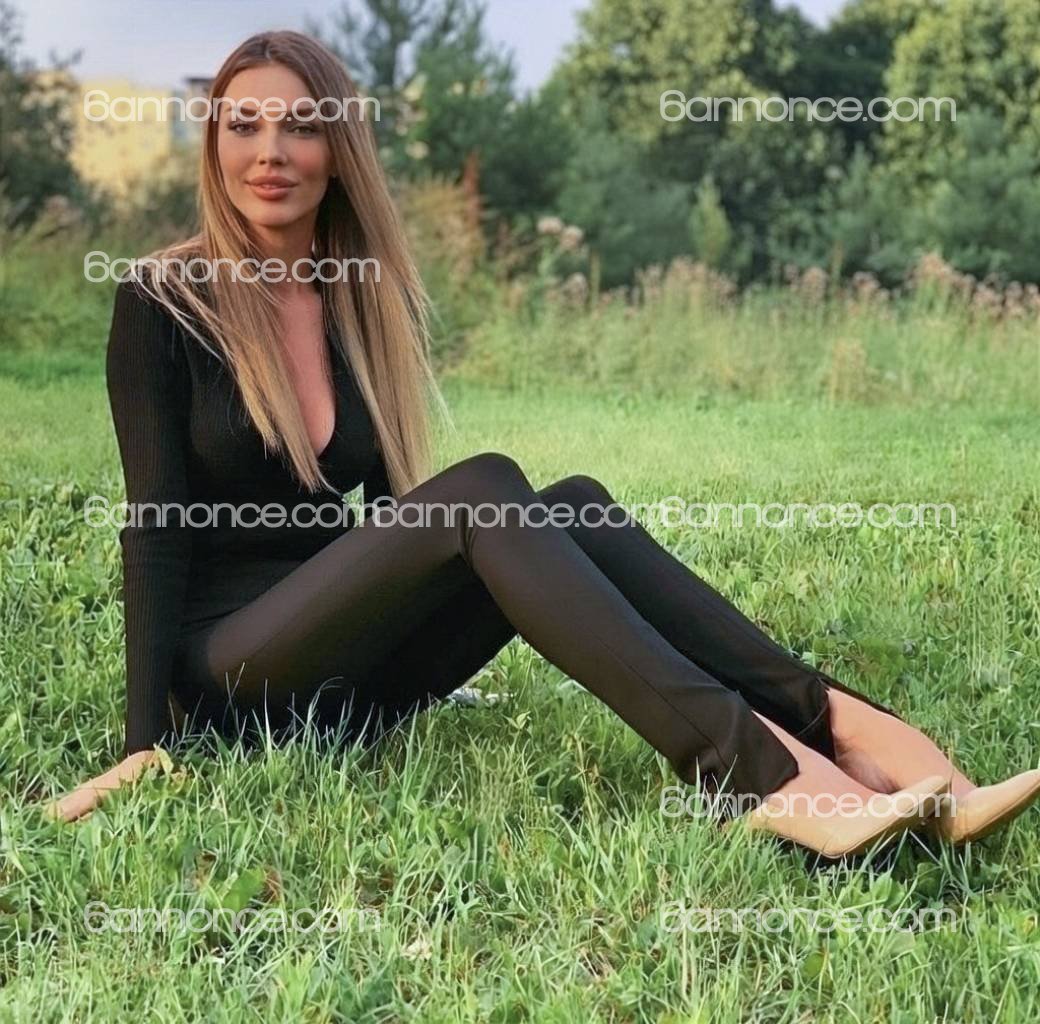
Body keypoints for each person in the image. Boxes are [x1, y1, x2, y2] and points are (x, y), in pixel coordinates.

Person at [50, 31, 1040, 857]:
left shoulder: (359, 301)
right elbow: (155, 528)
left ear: (339, 149)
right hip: (233, 674)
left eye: (301, 125)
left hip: (341, 686)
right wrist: (145, 741)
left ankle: (847, 729)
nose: (270, 151)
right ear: (213, 144)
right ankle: (769, 778)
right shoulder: (161, 301)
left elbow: (393, 526)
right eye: (244, 124)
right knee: (486, 486)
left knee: (570, 505)